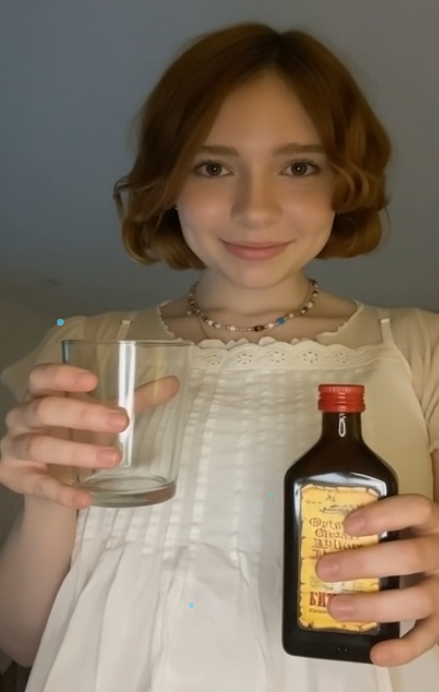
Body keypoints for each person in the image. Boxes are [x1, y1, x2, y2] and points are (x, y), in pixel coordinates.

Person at [0, 20, 439, 692]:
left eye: (299, 166)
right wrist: (44, 495)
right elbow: (25, 638)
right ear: (168, 180)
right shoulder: (86, 351)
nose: (254, 210)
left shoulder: (419, 349)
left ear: (342, 180)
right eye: (212, 167)